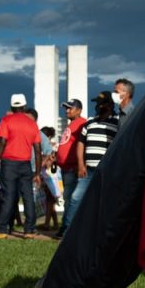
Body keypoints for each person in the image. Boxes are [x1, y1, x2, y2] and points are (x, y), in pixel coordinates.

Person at [62, 91, 119, 229]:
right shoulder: (90, 123)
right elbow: (81, 143)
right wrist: (81, 164)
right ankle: (68, 230)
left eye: (101, 103)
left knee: (103, 201)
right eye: (97, 104)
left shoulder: (117, 122)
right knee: (76, 198)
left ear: (109, 105)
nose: (98, 106)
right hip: (87, 171)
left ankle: (101, 229)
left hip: (106, 170)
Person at [0, 94, 42, 239]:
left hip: (9, 164)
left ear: (12, 106)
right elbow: (37, 150)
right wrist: (37, 172)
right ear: (24, 107)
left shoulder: (6, 120)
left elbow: (2, 143)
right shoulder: (32, 124)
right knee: (28, 197)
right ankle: (29, 230)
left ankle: (1, 230)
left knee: (8, 197)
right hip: (25, 165)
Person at [54, 98, 87, 238]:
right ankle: (66, 226)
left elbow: (83, 145)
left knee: (72, 199)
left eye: (70, 108)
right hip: (66, 168)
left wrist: (80, 165)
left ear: (79, 110)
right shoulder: (72, 124)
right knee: (68, 199)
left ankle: (67, 227)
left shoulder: (82, 123)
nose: (67, 110)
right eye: (66, 108)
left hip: (74, 168)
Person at [39, 125, 60, 231]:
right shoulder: (53, 146)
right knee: (50, 200)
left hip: (51, 175)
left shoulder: (51, 146)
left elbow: (50, 162)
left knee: (50, 200)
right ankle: (55, 223)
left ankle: (47, 223)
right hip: (49, 175)